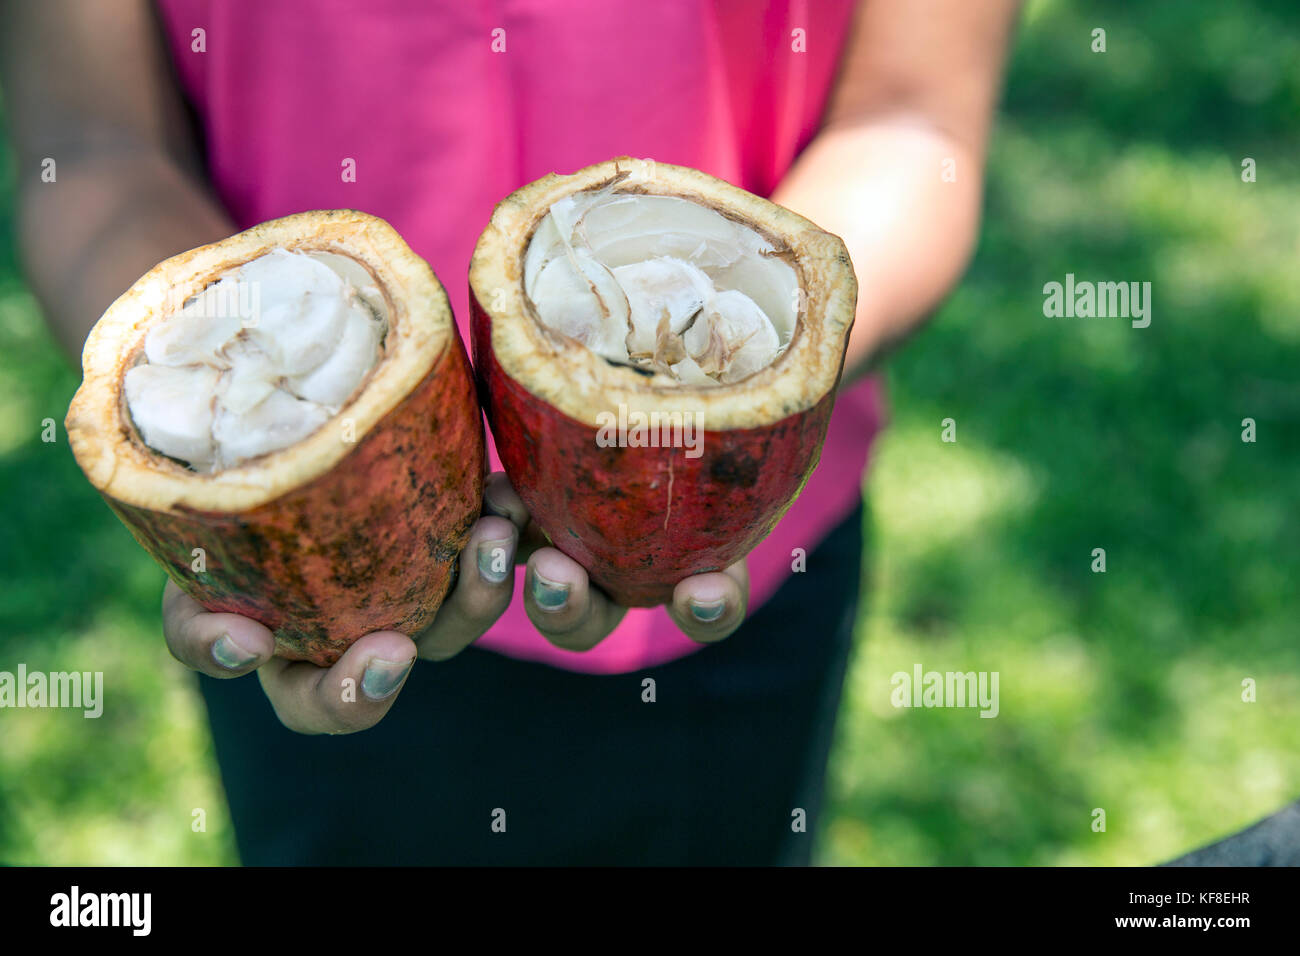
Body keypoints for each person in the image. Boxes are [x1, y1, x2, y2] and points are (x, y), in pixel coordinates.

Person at [2, 0, 1020, 864]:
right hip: (318, 613)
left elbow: (909, 120)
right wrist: (229, 466)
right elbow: (94, 146)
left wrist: (735, 419)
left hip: (746, 575)